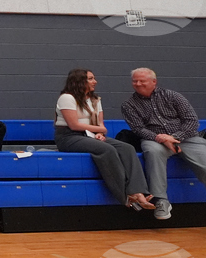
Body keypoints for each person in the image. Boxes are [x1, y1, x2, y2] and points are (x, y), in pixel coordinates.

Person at [122, 68, 206, 240]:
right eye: (134, 81)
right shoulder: (128, 105)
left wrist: (175, 137)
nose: (137, 84)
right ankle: (161, 201)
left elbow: (191, 121)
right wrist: (161, 138)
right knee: (151, 151)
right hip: (155, 140)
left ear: (154, 82)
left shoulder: (173, 96)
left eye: (142, 81)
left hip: (188, 139)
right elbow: (138, 129)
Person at [54, 69, 154, 210]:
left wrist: (100, 133)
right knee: (107, 149)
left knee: (127, 148)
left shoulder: (95, 100)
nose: (95, 81)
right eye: (90, 79)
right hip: (69, 137)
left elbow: (100, 125)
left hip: (90, 135)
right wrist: (99, 129)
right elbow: (74, 125)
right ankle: (124, 195)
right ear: (78, 81)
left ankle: (138, 191)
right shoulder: (67, 98)